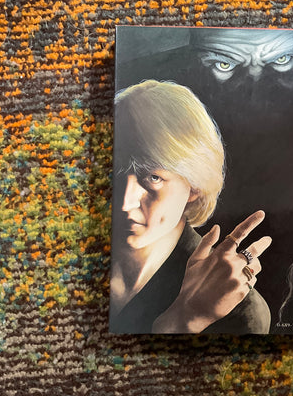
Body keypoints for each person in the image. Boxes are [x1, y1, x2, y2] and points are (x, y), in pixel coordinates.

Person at [109, 80, 272, 334]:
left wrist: (188, 318)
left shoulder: (236, 310)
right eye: (116, 173)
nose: (125, 202)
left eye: (153, 177)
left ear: (194, 186)